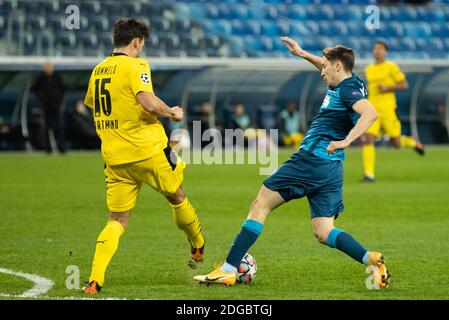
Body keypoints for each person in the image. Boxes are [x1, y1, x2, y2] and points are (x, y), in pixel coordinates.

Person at [194, 37, 391, 289]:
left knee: (260, 204)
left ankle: (229, 268)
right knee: (323, 230)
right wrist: (301, 53)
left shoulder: (345, 89)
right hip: (331, 168)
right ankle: (371, 260)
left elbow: (370, 113)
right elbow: (326, 65)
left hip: (311, 159)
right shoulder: (349, 82)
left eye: (326, 67)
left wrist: (347, 140)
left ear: (339, 66)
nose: (322, 72)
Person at [82, 18, 205, 294]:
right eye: (142, 44)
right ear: (136, 42)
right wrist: (173, 112)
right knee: (177, 196)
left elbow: (92, 105)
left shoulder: (98, 70)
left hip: (114, 157)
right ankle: (197, 244)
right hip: (148, 151)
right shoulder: (136, 65)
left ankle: (94, 281)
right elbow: (147, 101)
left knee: (117, 220)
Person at [361, 40, 424, 182]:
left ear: (385, 52)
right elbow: (370, 87)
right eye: (375, 48)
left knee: (396, 143)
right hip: (373, 111)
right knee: (368, 138)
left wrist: (388, 87)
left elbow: (404, 84)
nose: (377, 51)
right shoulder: (369, 69)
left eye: (380, 48)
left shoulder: (391, 67)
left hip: (389, 110)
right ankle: (369, 174)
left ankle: (413, 143)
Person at [32, 61, 66, 153]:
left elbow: (63, 89)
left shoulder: (57, 77)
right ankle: (48, 149)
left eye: (49, 67)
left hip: (56, 106)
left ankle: (61, 148)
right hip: (46, 106)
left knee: (58, 127)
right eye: (46, 67)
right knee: (47, 127)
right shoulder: (40, 77)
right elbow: (34, 89)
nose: (48, 69)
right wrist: (41, 98)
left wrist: (59, 99)